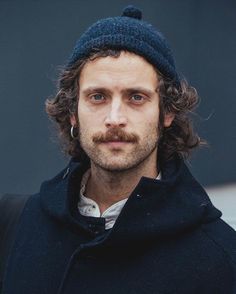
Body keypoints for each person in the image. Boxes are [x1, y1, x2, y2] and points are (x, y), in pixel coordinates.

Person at [1, 5, 236, 294]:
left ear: (167, 112)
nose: (114, 118)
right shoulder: (13, 226)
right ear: (73, 111)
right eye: (97, 96)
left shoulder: (221, 258)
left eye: (136, 97)